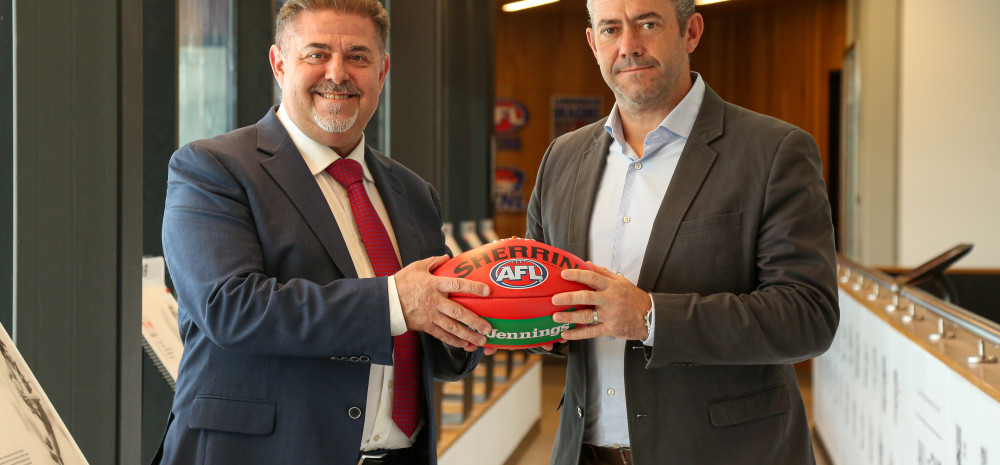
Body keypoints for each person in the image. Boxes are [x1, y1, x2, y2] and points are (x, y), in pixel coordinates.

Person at [155, 1, 494, 464]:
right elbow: (230, 308)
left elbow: (430, 334)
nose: (338, 73)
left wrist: (484, 321)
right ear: (279, 63)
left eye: (358, 57)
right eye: (316, 54)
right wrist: (394, 303)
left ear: (382, 71)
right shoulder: (212, 168)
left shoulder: (414, 193)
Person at [526, 0, 839, 463]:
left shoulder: (774, 151)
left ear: (691, 32)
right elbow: (544, 301)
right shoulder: (561, 158)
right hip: (582, 453)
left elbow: (808, 315)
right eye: (610, 29)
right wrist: (502, 319)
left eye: (647, 23)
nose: (628, 46)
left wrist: (651, 317)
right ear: (593, 43)